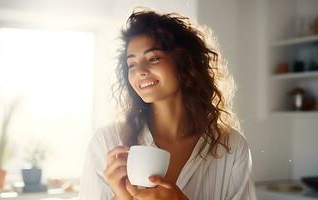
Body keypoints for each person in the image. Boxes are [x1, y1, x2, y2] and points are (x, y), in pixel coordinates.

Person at [79, 9, 256, 200]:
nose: (140, 71)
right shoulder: (106, 142)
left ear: (184, 62)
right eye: (132, 64)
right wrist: (120, 197)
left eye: (153, 58)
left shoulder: (232, 147)